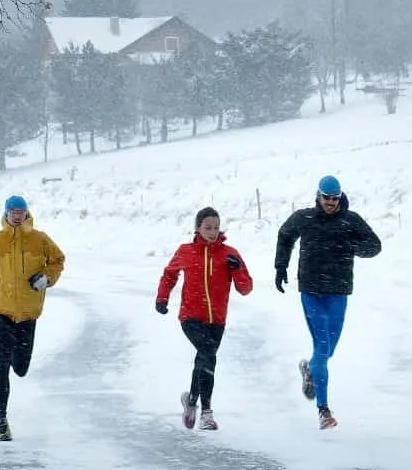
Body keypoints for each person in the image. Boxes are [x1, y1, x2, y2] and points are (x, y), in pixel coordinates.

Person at [273, 174, 381, 429]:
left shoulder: (350, 220)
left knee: (328, 351)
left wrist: (351, 246)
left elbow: (374, 245)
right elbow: (285, 235)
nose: (330, 202)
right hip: (311, 291)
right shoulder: (305, 218)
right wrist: (280, 267)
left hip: (338, 292)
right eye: (326, 198)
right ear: (318, 196)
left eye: (334, 198)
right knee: (322, 348)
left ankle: (310, 370)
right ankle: (324, 410)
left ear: (339, 197)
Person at [0, 195, 66, 441]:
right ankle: (1, 420)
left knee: (20, 367)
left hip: (28, 314)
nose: (16, 215)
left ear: (26, 213)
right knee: (1, 365)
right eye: (12, 212)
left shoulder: (40, 239)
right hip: (2, 311)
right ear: (6, 214)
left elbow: (58, 261)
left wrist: (46, 278)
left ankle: (14, 361)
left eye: (20, 211)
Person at [155, 206, 254, 431]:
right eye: (208, 227)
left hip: (217, 320)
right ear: (197, 228)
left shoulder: (229, 253)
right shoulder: (186, 251)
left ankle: (191, 402)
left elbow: (246, 288)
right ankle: (206, 414)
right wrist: (162, 298)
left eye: (216, 227)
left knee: (203, 359)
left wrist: (237, 270)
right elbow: (169, 274)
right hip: (190, 317)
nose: (212, 232)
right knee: (208, 356)